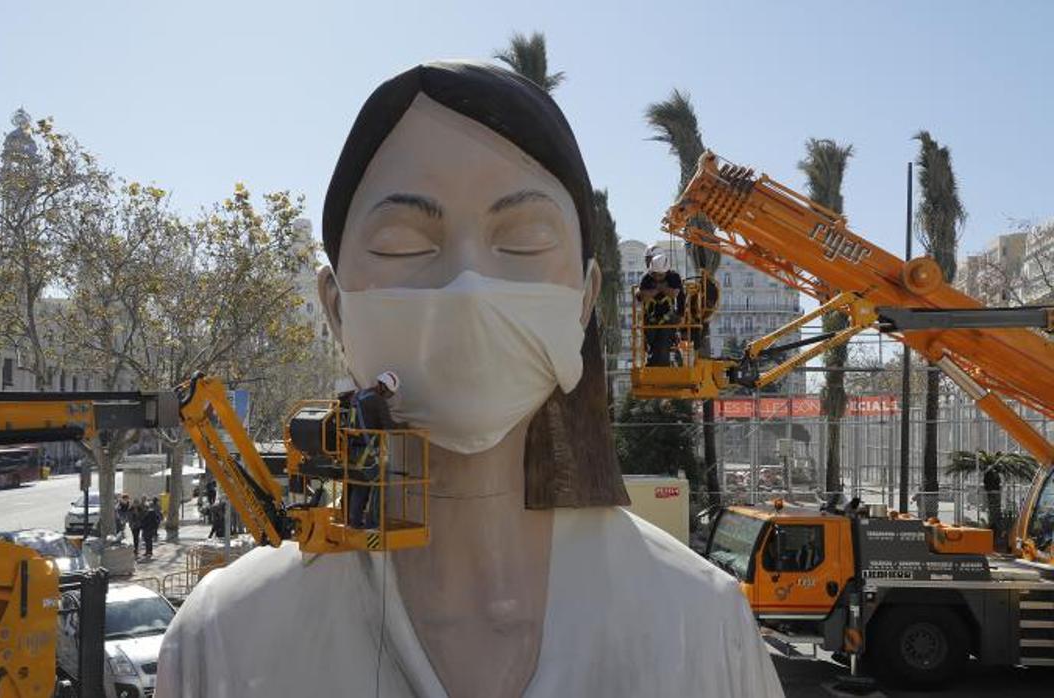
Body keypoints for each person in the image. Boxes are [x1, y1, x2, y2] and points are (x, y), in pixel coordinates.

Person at [157, 61, 782, 698]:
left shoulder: (698, 627)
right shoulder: (229, 638)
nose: (467, 287)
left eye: (523, 239)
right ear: (336, 306)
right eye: (404, 243)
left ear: (586, 300)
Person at [345, 371, 400, 528]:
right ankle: (373, 523)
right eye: (389, 392)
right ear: (382, 387)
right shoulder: (378, 401)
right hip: (366, 452)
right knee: (380, 482)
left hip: (352, 450)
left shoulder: (359, 396)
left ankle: (355, 522)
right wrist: (407, 426)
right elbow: (389, 426)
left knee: (360, 485)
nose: (389, 396)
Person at [637, 251, 685, 366]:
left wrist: (656, 289)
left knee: (664, 343)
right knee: (652, 343)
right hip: (651, 319)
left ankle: (662, 365)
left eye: (660, 275)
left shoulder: (674, 277)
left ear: (666, 272)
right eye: (655, 274)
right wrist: (662, 288)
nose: (657, 277)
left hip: (668, 318)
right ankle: (653, 363)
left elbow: (674, 294)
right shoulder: (647, 278)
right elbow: (642, 296)